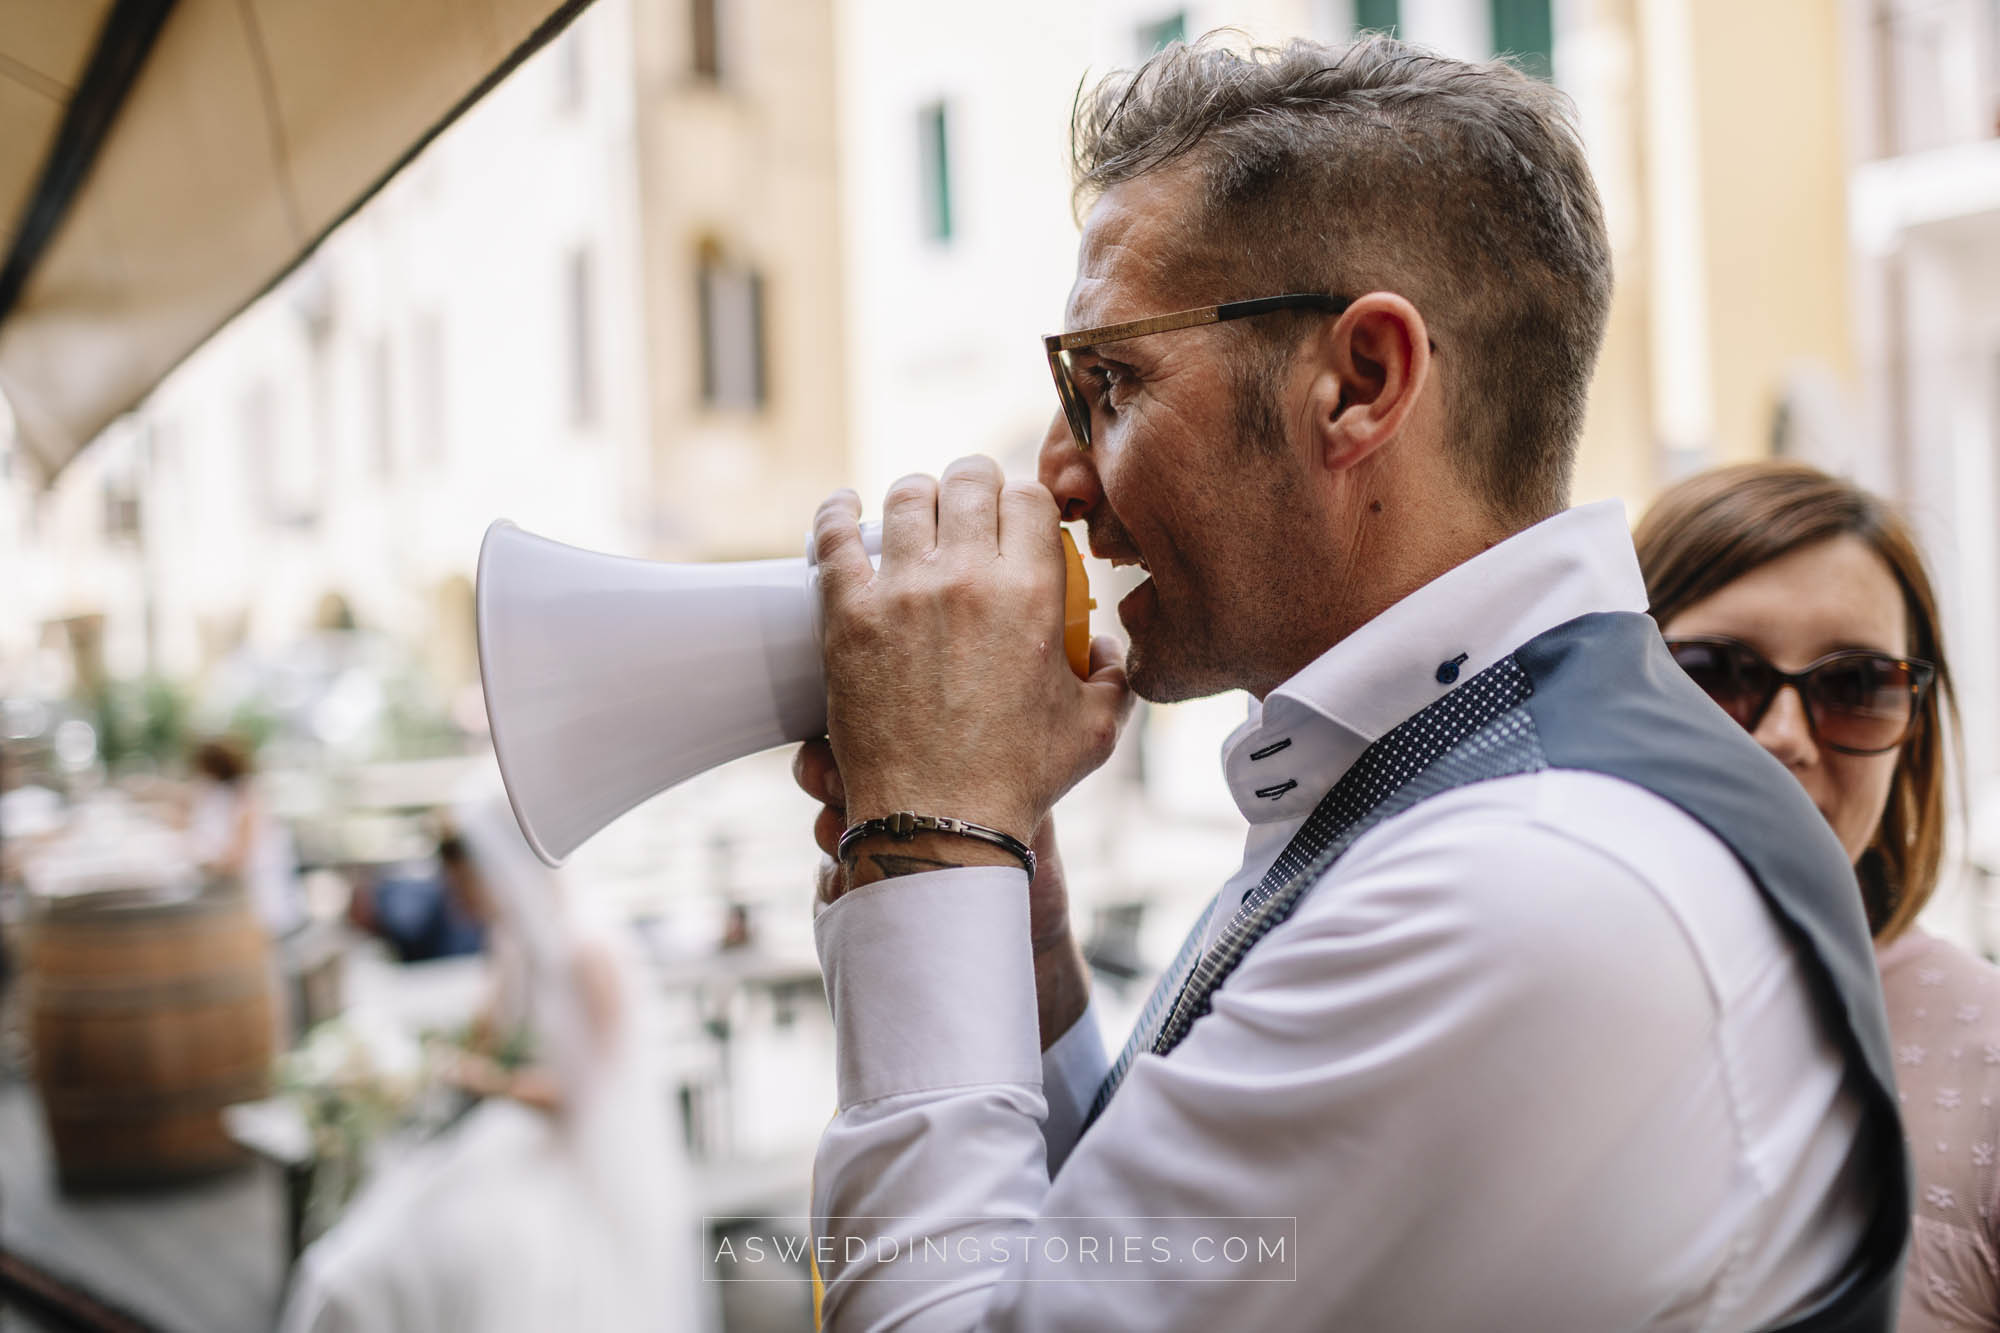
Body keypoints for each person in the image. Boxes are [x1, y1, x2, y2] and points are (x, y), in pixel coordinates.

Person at [791, 34, 1907, 1330]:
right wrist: (1023, 964)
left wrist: (931, 837)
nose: (1062, 474)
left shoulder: (1523, 876)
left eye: (1110, 382)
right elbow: (1139, 1257)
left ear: (1361, 383)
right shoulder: (1465, 780)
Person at [1637, 460, 1983, 1332]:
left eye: (1855, 686)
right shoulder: (1482, 987)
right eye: (1715, 672)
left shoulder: (1988, 1050)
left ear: (1913, 738)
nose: (1783, 739)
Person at [278, 790, 701, 1332]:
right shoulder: (514, 940)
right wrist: (408, 1065)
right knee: (368, 1248)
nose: (457, 904)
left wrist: (485, 1079)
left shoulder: (590, 951)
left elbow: (590, 1096)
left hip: (577, 1155)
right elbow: (485, 1035)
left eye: (462, 886)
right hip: (516, 1135)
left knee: (444, 1251)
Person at [186, 736, 303, 937]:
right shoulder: (220, 795)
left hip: (257, 896)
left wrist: (202, 861)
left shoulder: (246, 797)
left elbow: (237, 858)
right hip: (243, 895)